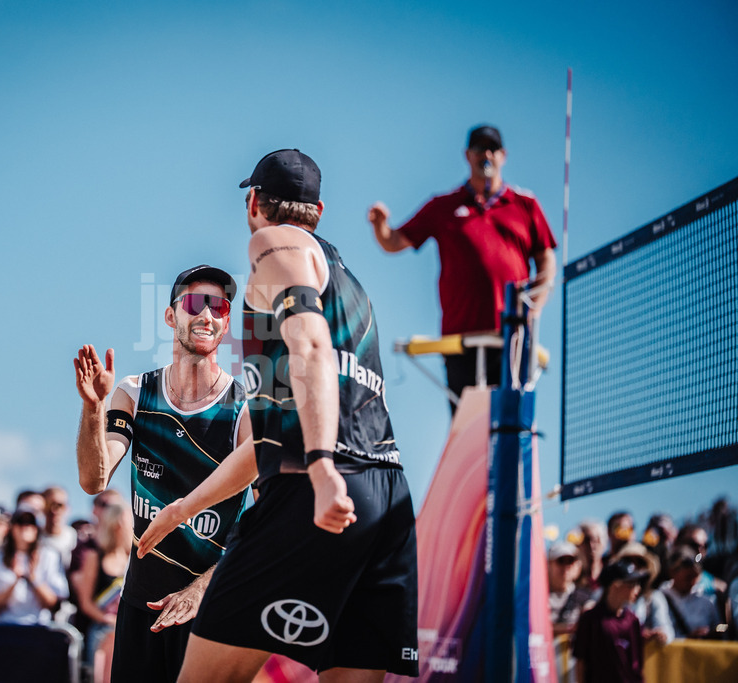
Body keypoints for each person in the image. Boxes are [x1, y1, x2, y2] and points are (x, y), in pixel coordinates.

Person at [139, 149, 418, 680]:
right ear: (320, 209)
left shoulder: (274, 242)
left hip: (316, 484)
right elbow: (267, 440)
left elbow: (309, 347)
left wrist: (321, 465)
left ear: (253, 203)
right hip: (386, 495)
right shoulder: (348, 282)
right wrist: (183, 508)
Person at [73, 262, 252, 682]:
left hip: (209, 605)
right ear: (171, 316)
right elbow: (94, 479)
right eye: (195, 303)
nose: (207, 315)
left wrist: (200, 588)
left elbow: (266, 520)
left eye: (220, 308)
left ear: (226, 323)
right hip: (141, 604)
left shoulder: (246, 408)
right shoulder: (136, 392)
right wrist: (93, 408)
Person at [367, 125, 557, 409]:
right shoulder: (443, 206)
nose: (487, 155)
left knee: (510, 428)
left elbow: (546, 260)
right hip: (461, 340)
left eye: (492, 149)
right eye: (480, 149)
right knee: (468, 429)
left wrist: (535, 307)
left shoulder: (525, 204)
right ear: (467, 155)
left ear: (503, 155)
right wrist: (380, 225)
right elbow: (394, 242)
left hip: (513, 338)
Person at [73, 501, 132, 677]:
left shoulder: (135, 560)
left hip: (129, 627)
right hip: (103, 628)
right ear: (118, 525)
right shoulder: (94, 557)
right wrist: (110, 621)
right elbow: (85, 603)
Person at [0, 505, 68, 624]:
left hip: (38, 628)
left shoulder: (50, 555)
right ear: (11, 527)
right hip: (2, 627)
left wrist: (33, 579)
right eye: (20, 522)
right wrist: (15, 581)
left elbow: (54, 604)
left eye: (30, 523)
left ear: (37, 528)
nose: (25, 527)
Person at [573, 559, 648, 683]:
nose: (637, 589)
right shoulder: (591, 619)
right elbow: (580, 662)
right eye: (632, 584)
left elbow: (637, 665)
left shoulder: (633, 620)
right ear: (615, 586)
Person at [610, 542, 673, 645]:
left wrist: (660, 634)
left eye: (640, 562)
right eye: (628, 561)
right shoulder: (608, 593)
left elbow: (666, 629)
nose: (634, 566)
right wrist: (634, 634)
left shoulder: (654, 598)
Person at [661, 546, 721, 638]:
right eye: (688, 577)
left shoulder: (706, 599)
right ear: (672, 572)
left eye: (695, 577)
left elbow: (720, 628)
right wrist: (687, 639)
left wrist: (713, 632)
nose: (692, 582)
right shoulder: (659, 598)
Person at [547, 540, 588, 635]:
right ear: (548, 565)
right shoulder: (536, 597)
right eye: (560, 561)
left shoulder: (585, 599)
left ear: (578, 567)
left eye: (570, 561)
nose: (566, 567)